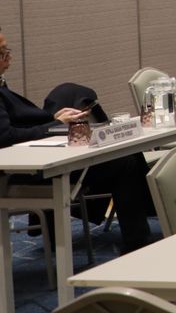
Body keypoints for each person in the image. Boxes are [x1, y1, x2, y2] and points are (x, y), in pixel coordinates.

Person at [0, 29, 156, 253]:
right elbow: (6, 137)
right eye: (2, 53)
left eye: (7, 50)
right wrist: (54, 125)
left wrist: (55, 120)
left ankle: (138, 221)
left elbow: (17, 124)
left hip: (38, 150)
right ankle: (138, 244)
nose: (9, 57)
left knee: (69, 92)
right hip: (27, 170)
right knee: (125, 161)